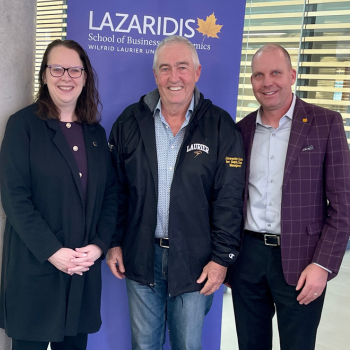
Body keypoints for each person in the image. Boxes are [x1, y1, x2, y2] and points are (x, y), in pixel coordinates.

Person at [107, 35, 245, 350]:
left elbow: (229, 198)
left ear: (197, 73)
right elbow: (116, 191)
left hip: (196, 262)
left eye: (182, 67)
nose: (174, 77)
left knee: (188, 346)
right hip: (140, 256)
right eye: (165, 68)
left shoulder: (220, 125)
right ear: (155, 75)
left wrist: (222, 258)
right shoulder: (130, 121)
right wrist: (114, 243)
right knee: (144, 346)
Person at [228, 43, 350, 350]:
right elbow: (229, 201)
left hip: (303, 262)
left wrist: (323, 266)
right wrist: (227, 259)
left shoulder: (326, 124)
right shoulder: (239, 132)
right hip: (248, 259)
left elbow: (343, 206)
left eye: (276, 73)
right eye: (258, 75)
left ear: (292, 75)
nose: (267, 82)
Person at [0, 39, 118, 350]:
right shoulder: (22, 126)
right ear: (44, 75)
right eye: (57, 68)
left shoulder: (95, 132)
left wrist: (98, 246)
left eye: (75, 70)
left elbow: (110, 195)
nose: (66, 77)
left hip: (81, 270)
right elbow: (15, 199)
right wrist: (54, 252)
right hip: (34, 269)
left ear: (85, 76)